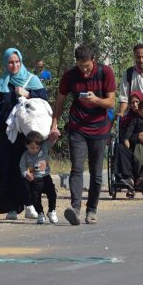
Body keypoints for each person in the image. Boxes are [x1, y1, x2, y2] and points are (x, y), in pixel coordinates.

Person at [49, 44, 117, 225]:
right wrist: (54, 124)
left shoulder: (105, 72)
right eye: (80, 66)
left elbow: (111, 102)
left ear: (93, 60)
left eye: (86, 66)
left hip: (99, 128)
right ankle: (75, 208)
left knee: (96, 173)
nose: (84, 71)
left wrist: (96, 100)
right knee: (77, 168)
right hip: (77, 127)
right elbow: (60, 101)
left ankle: (92, 209)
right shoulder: (70, 75)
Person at [0, 47, 48, 220]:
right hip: (5, 135)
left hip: (27, 134)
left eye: (17, 62)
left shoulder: (32, 80)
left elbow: (44, 100)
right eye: (10, 62)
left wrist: (28, 93)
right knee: (6, 169)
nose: (14, 65)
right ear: (5, 63)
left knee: (27, 168)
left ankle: (30, 204)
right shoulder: (0, 85)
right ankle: (11, 208)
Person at [19, 131, 58, 225]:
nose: (35, 150)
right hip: (34, 180)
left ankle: (52, 211)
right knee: (35, 198)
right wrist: (26, 174)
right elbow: (22, 168)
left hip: (46, 177)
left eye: (37, 147)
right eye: (32, 148)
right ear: (27, 145)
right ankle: (40, 213)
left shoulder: (44, 148)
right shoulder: (25, 156)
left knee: (52, 194)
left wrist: (55, 135)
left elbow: (52, 141)